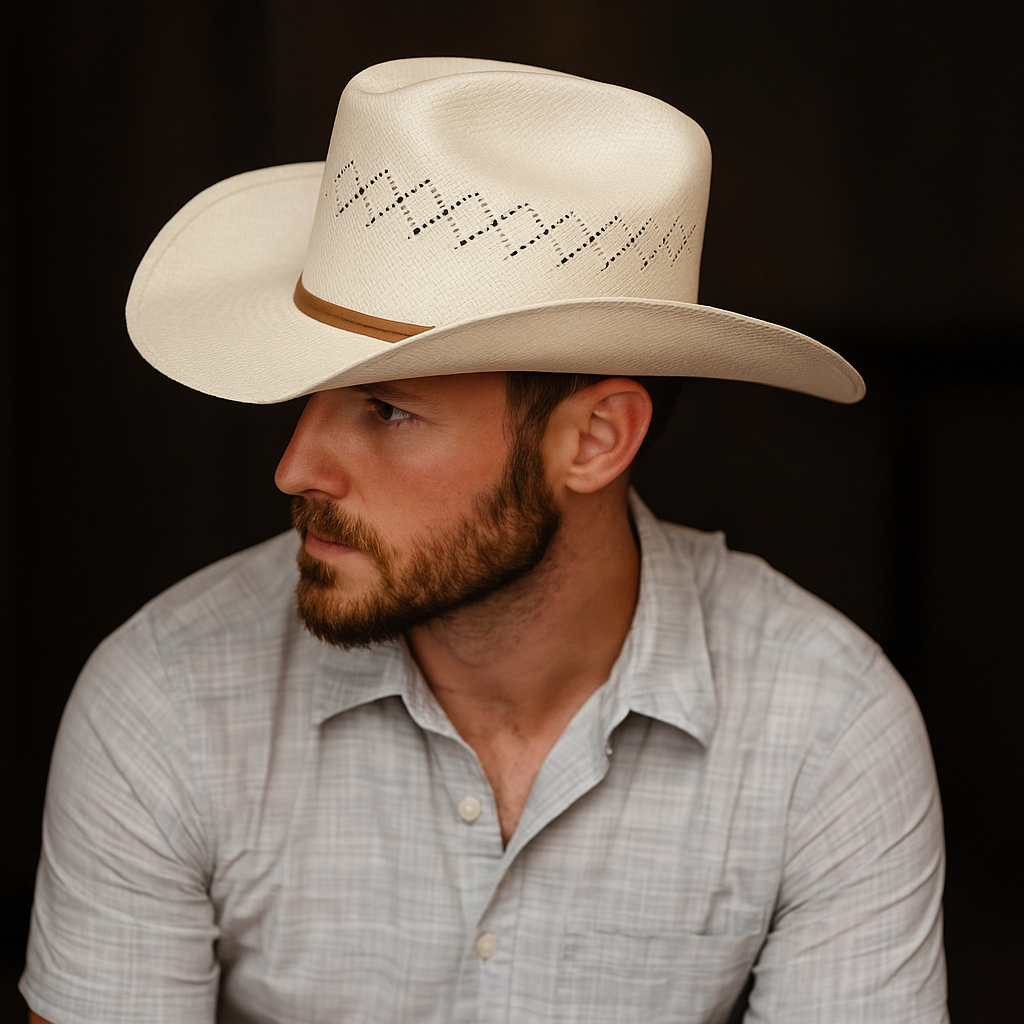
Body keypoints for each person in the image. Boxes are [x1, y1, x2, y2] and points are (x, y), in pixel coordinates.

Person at [20, 57, 947, 1024]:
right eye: (310, 398)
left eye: (386, 410)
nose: (296, 468)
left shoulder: (825, 729)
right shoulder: (164, 700)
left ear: (593, 440)